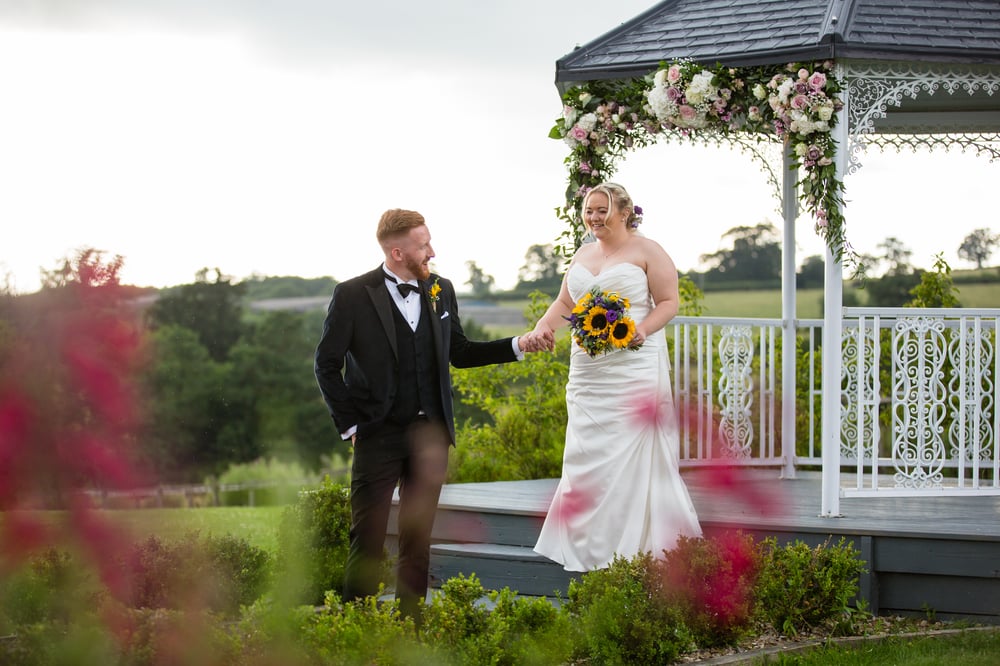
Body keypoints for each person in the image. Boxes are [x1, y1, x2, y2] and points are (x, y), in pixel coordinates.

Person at [314, 208, 542, 623]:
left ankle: (412, 628)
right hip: (377, 436)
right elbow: (325, 364)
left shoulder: (441, 289)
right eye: (424, 245)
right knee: (366, 537)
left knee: (418, 540)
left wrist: (519, 344)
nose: (432, 252)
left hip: (430, 437)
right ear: (398, 251)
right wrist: (350, 424)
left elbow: (461, 352)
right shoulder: (351, 294)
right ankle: (356, 630)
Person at [527, 182, 702, 571]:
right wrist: (544, 327)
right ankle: (588, 545)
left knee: (630, 448)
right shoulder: (583, 253)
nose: (594, 217)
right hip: (588, 370)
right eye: (589, 210)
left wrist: (641, 329)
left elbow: (669, 302)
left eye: (601, 210)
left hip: (633, 364)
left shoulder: (648, 251)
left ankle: (637, 548)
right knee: (587, 452)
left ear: (624, 212)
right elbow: (565, 303)